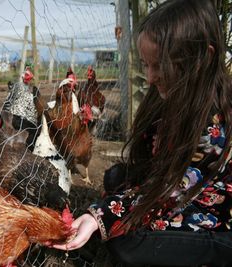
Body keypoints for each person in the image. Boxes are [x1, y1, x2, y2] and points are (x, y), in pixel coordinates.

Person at [53, 0, 232, 266]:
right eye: (146, 65)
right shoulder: (175, 96)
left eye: (159, 66)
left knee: (128, 245)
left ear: (203, 58)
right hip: (180, 190)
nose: (149, 77)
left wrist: (99, 217)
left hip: (215, 216)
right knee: (116, 176)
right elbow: (153, 168)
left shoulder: (213, 124)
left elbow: (170, 190)